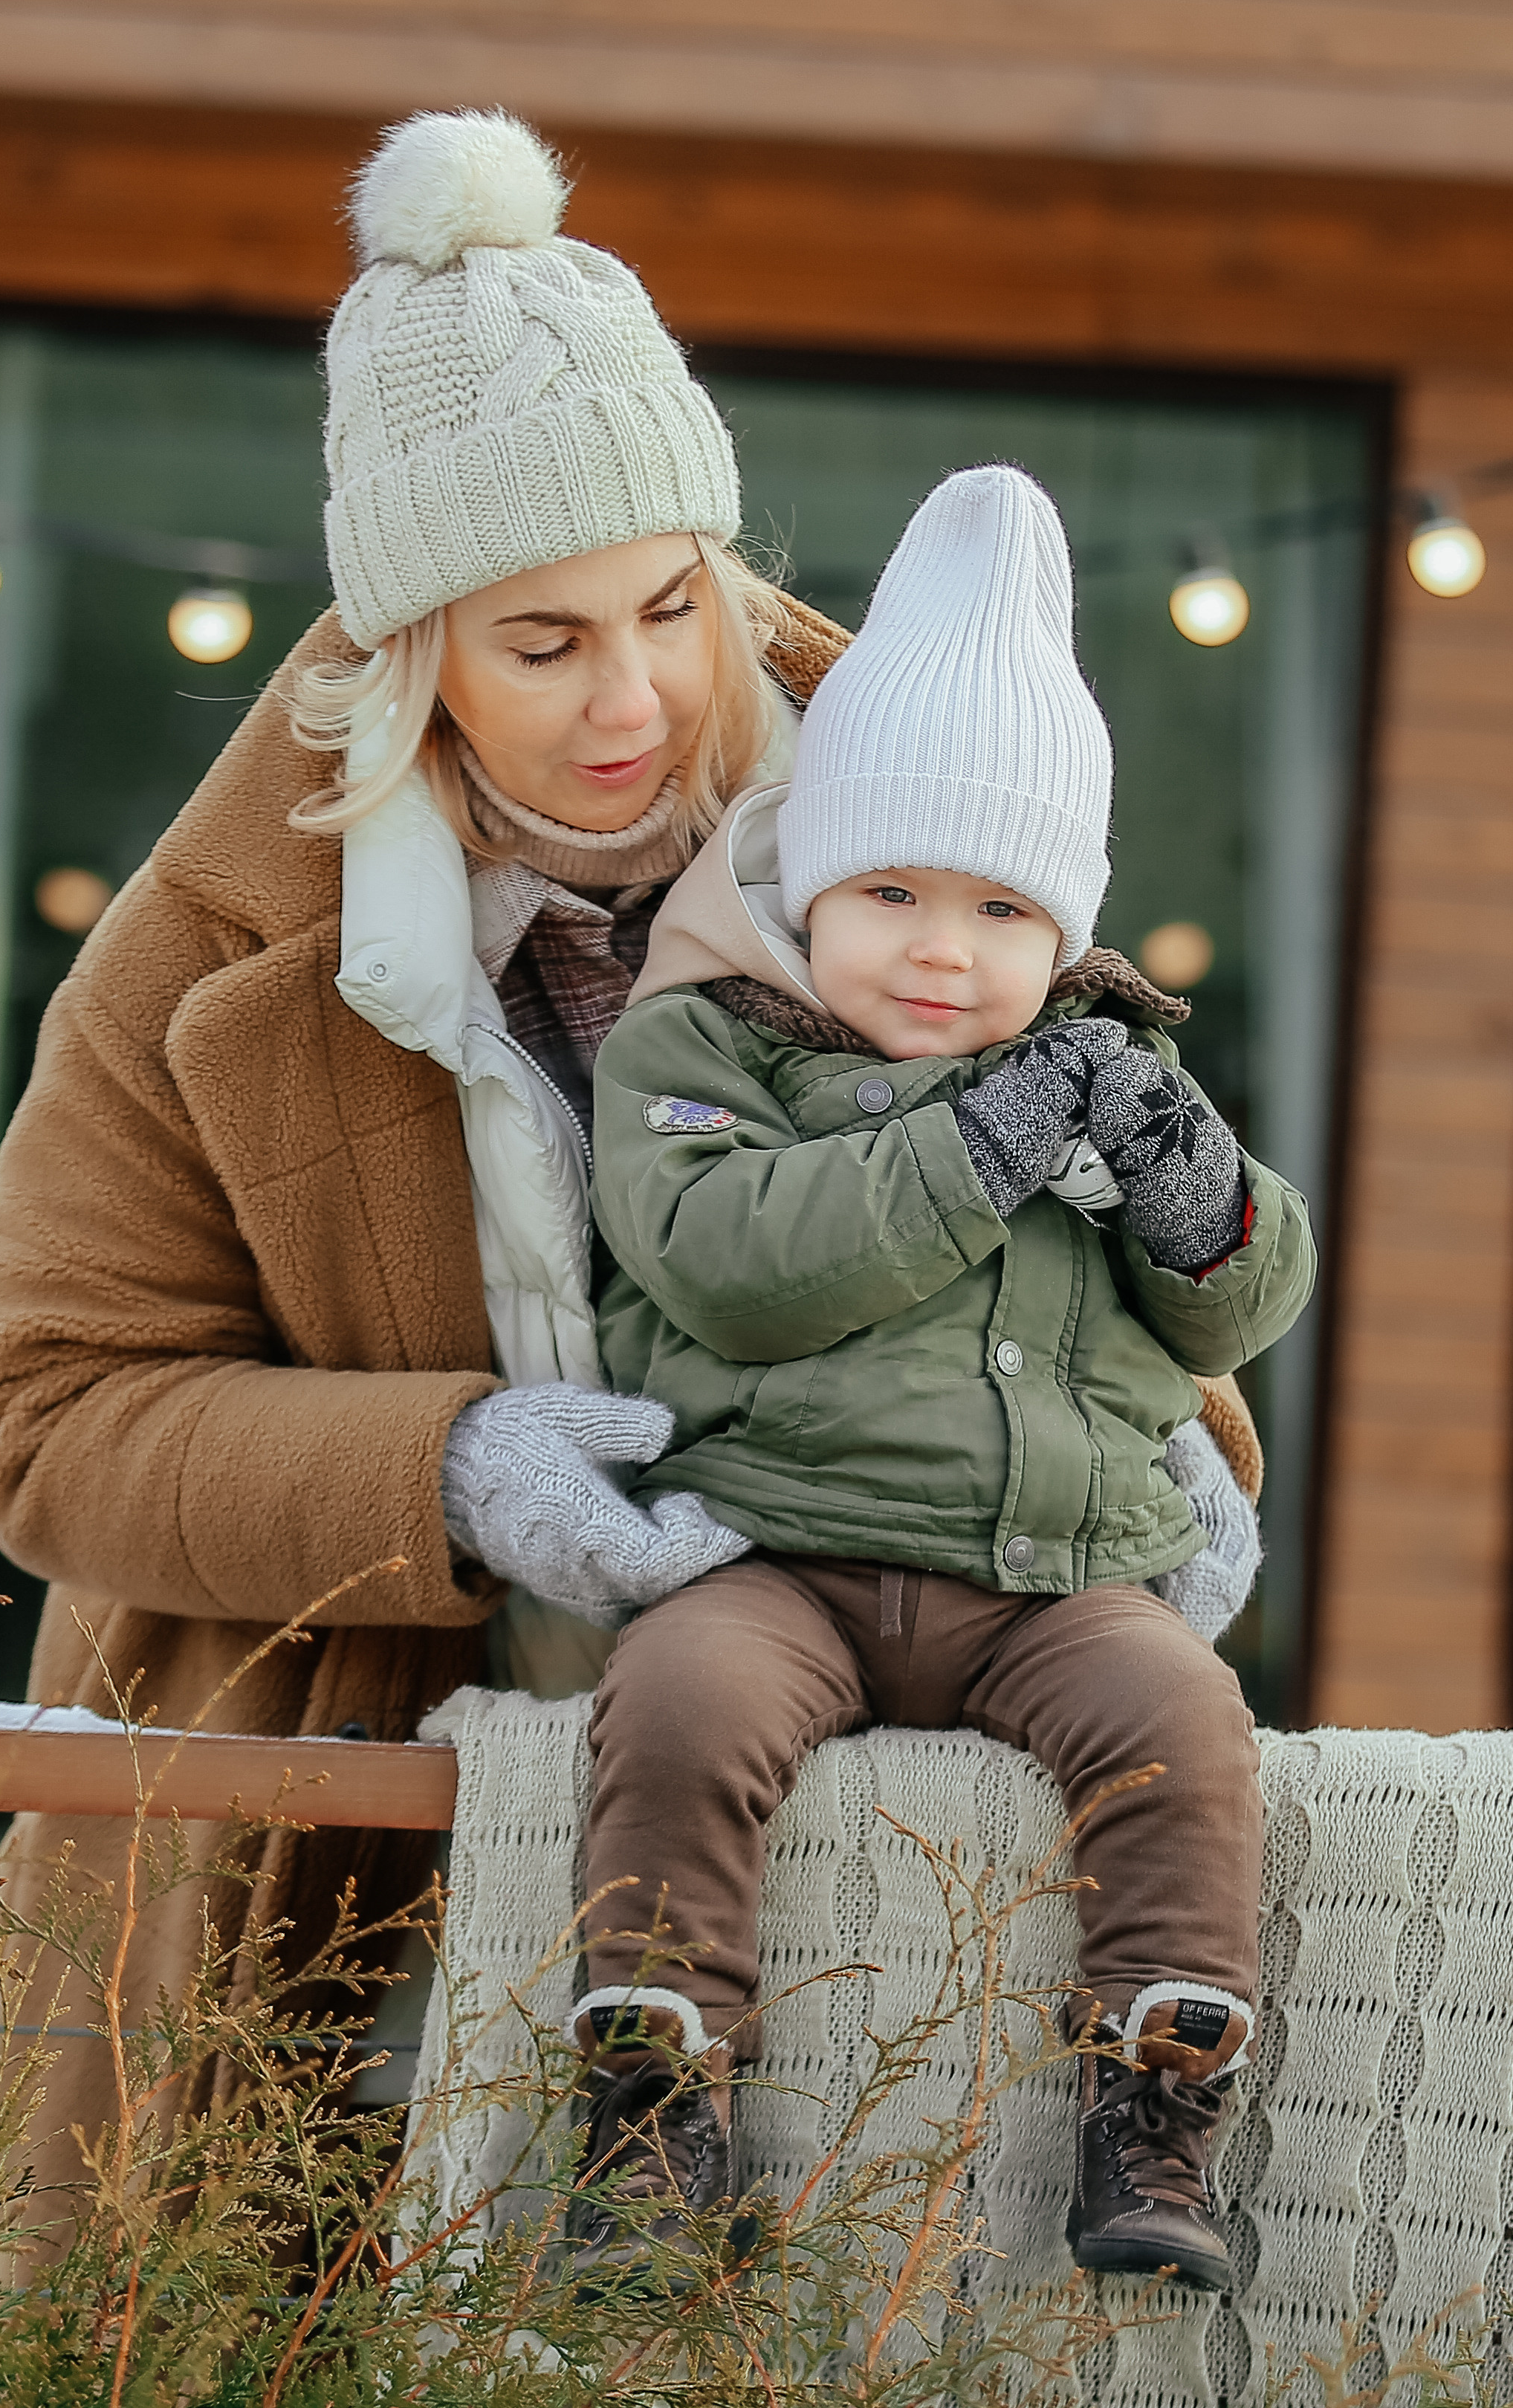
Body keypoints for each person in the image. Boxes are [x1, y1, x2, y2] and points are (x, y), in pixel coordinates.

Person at [0, 107, 845, 2236]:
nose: (634, 697)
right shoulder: (208, 947)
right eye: (541, 644)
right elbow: (40, 1409)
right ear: (404, 646)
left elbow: (1155, 1324)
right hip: (311, 1890)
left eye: (668, 609)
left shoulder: (930, 840)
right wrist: (451, 1471)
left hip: (813, 1859)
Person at [558, 466, 1315, 2293]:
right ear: (811, 886)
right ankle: (655, 2102)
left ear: (1061, 932)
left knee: (1187, 1729)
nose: (939, 948)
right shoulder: (700, 1044)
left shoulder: (1106, 1066)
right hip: (778, 1553)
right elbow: (735, 1272)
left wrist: (1195, 1194)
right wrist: (979, 1148)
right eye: (887, 888)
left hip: (1051, 1574)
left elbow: (1231, 1313)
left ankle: (1157, 2107)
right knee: (670, 1713)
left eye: (995, 908)